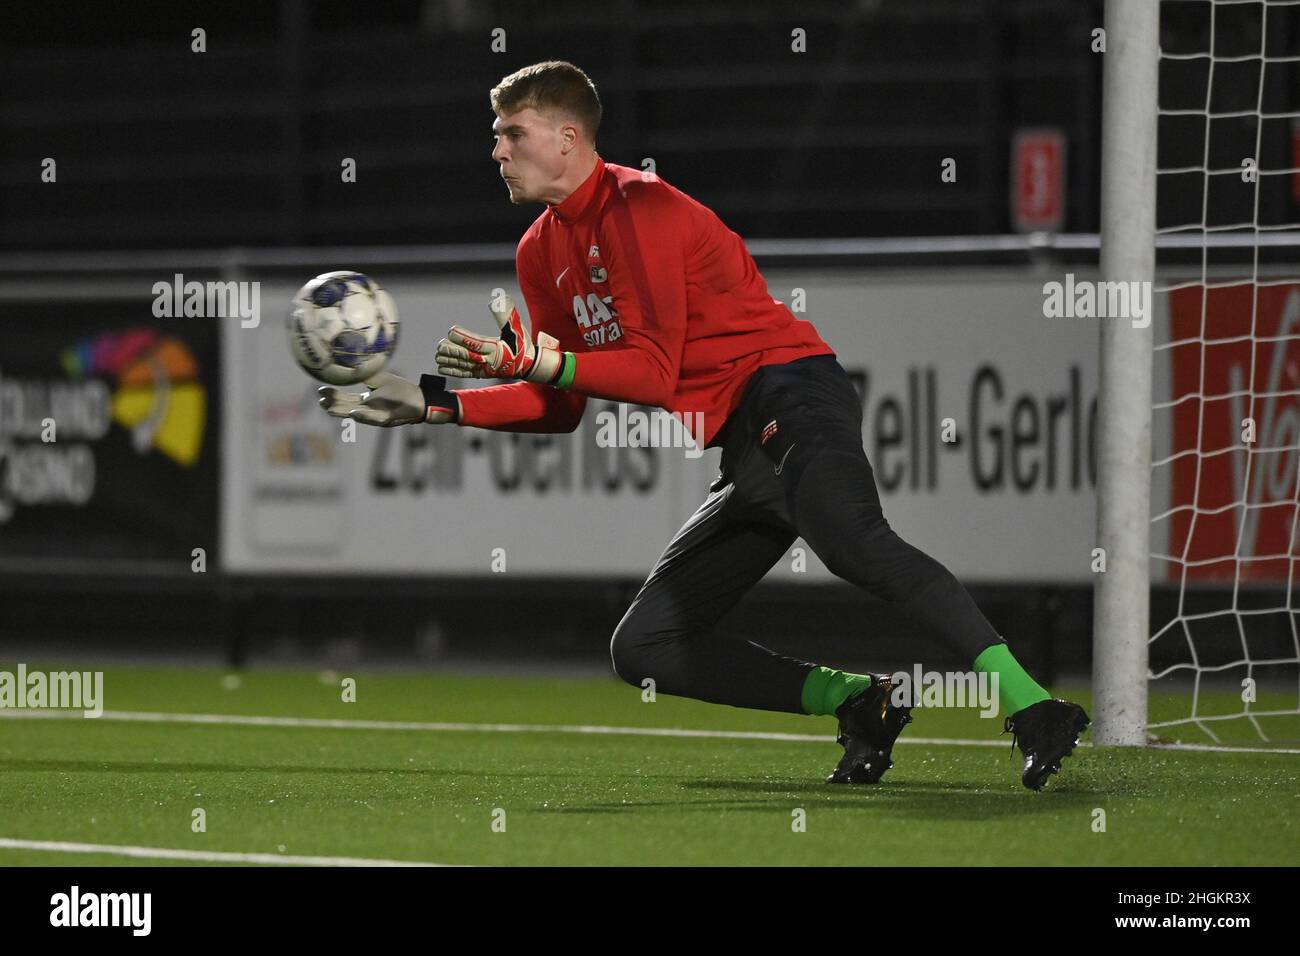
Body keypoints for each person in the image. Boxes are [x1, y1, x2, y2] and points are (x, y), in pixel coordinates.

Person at [319, 60, 1088, 790]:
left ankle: (1033, 704)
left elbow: (650, 371)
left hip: (792, 394)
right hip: (744, 440)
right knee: (644, 647)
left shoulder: (642, 207)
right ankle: (860, 701)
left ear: (567, 137)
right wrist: (432, 403)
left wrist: (540, 365)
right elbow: (560, 408)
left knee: (854, 544)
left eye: (510, 132)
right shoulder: (539, 249)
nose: (496, 149)